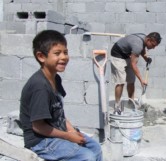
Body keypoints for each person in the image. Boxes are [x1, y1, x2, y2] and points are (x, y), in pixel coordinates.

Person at [19, 30, 103, 161]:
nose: (64, 57)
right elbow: (38, 126)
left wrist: (71, 130)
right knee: (87, 156)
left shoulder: (55, 79)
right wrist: (69, 136)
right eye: (57, 53)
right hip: (40, 141)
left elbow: (59, 113)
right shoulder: (39, 86)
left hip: (56, 131)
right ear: (41, 56)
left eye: (66, 52)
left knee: (95, 148)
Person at [110, 32, 162, 114]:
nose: (154, 48)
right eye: (153, 45)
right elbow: (134, 65)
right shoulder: (137, 45)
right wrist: (142, 80)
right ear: (148, 40)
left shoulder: (144, 39)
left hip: (127, 55)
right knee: (121, 81)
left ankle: (131, 102)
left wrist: (146, 58)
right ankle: (117, 106)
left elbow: (142, 49)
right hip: (117, 55)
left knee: (131, 80)